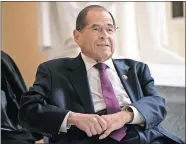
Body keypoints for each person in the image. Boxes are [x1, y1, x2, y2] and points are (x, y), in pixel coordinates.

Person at [18, 5, 184, 144]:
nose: (105, 35)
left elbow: (157, 104)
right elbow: (28, 111)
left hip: (144, 137)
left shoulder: (136, 69)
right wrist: (74, 118)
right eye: (96, 29)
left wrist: (125, 115)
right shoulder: (54, 71)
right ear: (77, 36)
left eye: (110, 29)